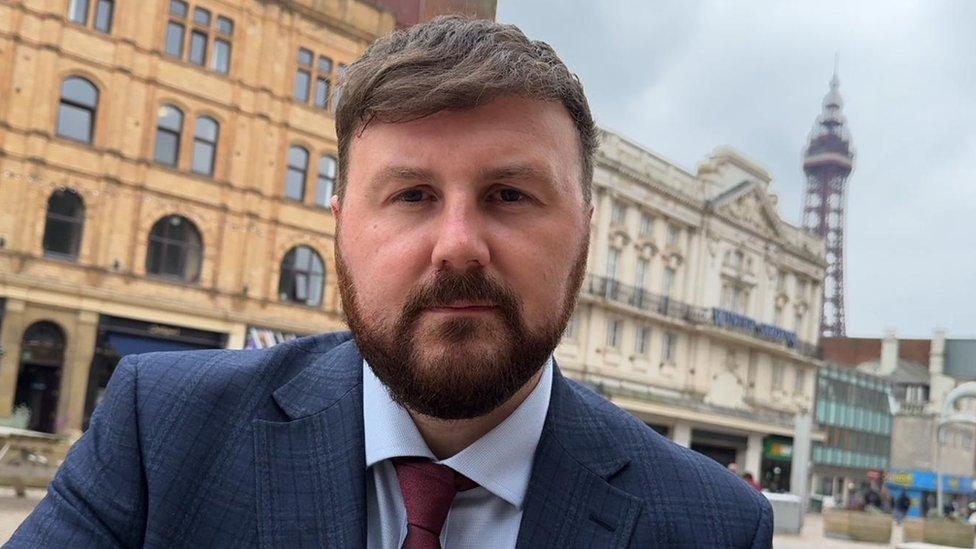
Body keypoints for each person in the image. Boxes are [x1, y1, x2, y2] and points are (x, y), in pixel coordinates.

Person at [9, 16, 772, 548]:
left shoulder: (713, 525)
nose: (458, 246)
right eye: (412, 196)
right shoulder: (160, 434)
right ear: (339, 224)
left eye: (510, 195)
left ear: (586, 231)